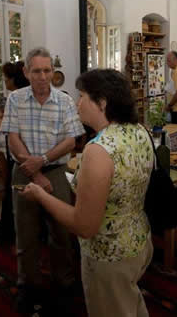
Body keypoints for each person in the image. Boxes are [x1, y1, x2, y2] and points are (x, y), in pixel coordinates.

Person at [21, 69, 155, 317]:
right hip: (139, 239)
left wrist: (41, 196)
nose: (77, 102)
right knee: (129, 301)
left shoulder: (99, 150)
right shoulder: (139, 131)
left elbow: (84, 226)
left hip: (109, 253)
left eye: (82, 96)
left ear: (102, 103)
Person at [2, 47, 84, 314]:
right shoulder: (15, 99)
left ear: (53, 72)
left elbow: (71, 141)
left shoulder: (65, 101)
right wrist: (35, 172)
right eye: (36, 71)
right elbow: (12, 138)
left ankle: (65, 283)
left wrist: (44, 161)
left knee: (61, 232)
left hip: (56, 173)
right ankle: (29, 286)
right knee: (25, 233)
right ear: (26, 72)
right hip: (24, 172)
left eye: (47, 70)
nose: (42, 76)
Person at [0, 61, 29, 242]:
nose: (4, 81)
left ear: (13, 79)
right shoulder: (24, 96)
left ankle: (8, 231)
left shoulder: (16, 98)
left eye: (6, 78)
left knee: (13, 197)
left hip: (18, 156)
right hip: (19, 154)